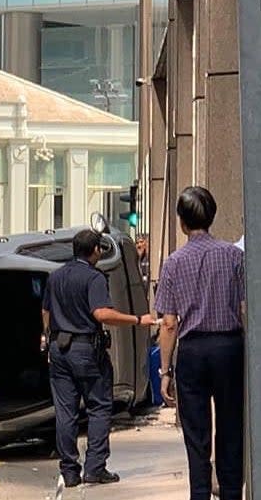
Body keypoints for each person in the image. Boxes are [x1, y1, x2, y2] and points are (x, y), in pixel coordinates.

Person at [41, 229, 154, 488]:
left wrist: (48, 337)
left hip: (59, 349)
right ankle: (95, 468)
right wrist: (138, 320)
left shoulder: (56, 276)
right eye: (100, 249)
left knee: (65, 412)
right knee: (100, 406)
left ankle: (69, 471)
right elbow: (102, 314)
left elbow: (45, 310)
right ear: (95, 251)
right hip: (86, 351)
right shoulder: (94, 278)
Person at [154, 186, 245, 500]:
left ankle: (201, 493)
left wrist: (164, 370)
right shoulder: (235, 256)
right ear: (212, 217)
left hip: (192, 352)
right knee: (231, 424)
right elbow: (246, 307)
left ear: (181, 222)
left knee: (197, 433)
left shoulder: (173, 263)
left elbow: (169, 322)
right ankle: (232, 492)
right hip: (230, 347)